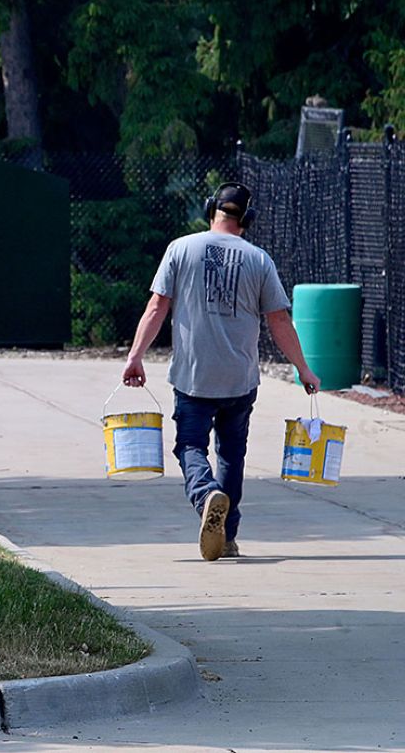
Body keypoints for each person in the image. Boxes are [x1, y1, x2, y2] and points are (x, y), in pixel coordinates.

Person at [121, 182, 321, 561]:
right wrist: (304, 369)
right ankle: (226, 537)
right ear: (247, 219)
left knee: (190, 446)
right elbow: (279, 320)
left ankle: (205, 494)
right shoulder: (259, 259)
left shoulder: (180, 249)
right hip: (240, 379)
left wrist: (135, 356)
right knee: (231, 454)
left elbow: (156, 307)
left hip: (193, 377)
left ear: (212, 208)